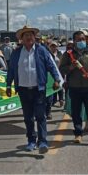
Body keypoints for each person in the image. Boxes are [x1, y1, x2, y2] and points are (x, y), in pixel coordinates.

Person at [6, 26, 61, 154]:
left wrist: (57, 79)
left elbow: (51, 66)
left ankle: (42, 142)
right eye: (26, 35)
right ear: (22, 39)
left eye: (31, 35)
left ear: (34, 37)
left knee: (40, 116)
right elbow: (12, 70)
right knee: (28, 118)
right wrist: (8, 85)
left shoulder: (41, 50)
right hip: (23, 90)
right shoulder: (16, 53)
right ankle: (31, 141)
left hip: (39, 89)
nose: (29, 37)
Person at [59, 31, 88, 146]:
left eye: (83, 39)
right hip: (74, 87)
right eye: (78, 39)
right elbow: (62, 69)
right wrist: (70, 67)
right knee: (76, 112)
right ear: (74, 41)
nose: (81, 41)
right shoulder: (68, 54)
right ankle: (78, 134)